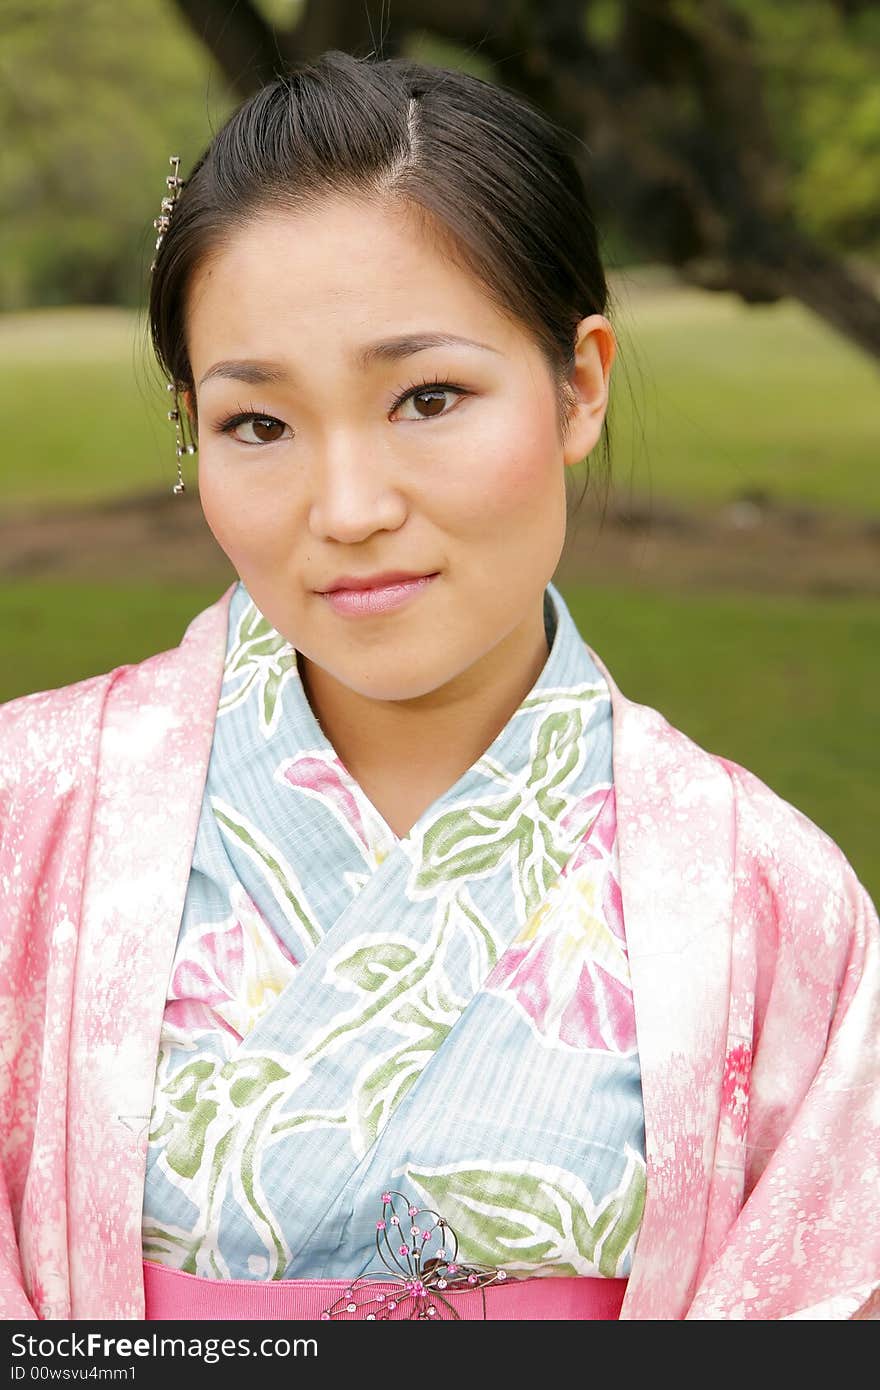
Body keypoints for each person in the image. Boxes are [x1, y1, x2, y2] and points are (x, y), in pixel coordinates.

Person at [1, 49, 877, 1325]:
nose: (348, 509)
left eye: (428, 396)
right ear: (193, 426)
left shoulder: (765, 897)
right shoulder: (28, 817)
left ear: (578, 383)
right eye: (258, 424)